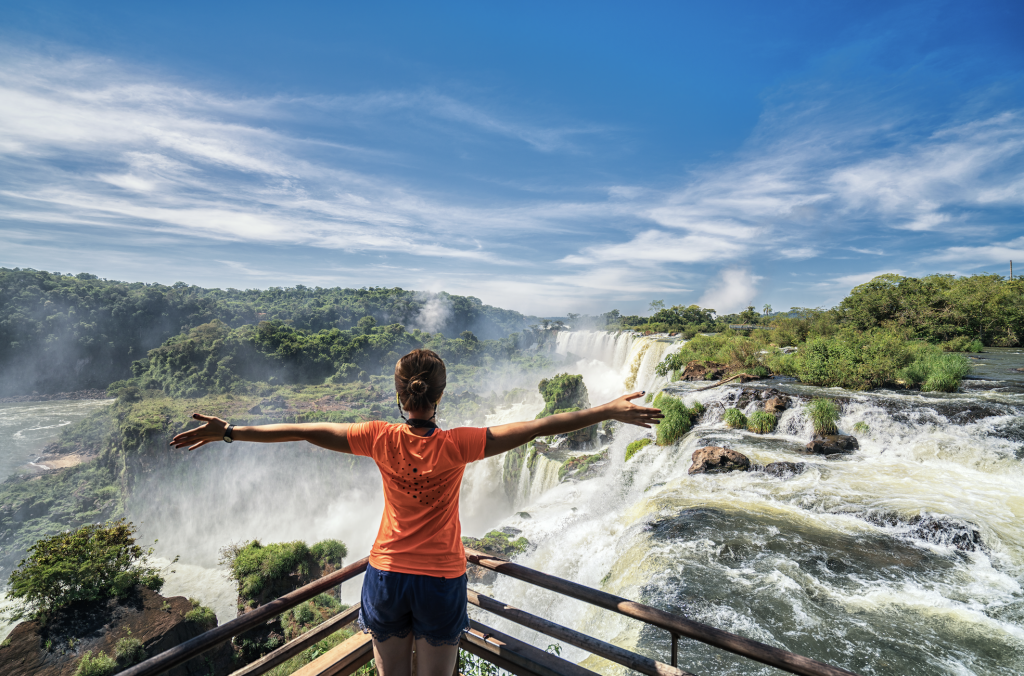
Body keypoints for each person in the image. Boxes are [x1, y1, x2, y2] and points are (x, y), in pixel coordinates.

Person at [170, 348, 662, 676]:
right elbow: (539, 426)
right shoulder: (460, 444)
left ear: (400, 395)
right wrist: (605, 411)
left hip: (384, 574)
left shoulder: (377, 438)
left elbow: (303, 430)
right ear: (439, 396)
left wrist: (229, 431)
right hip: (441, 579)